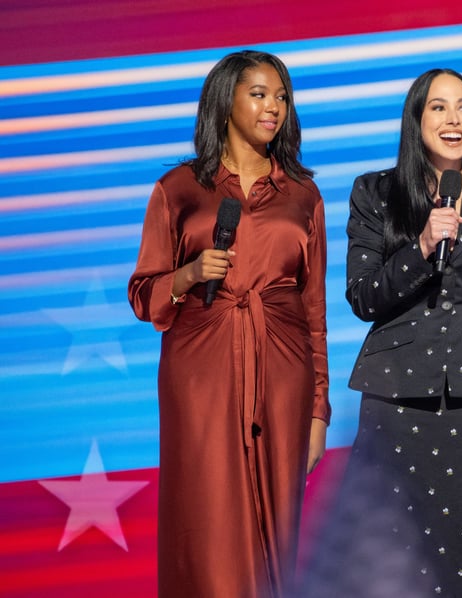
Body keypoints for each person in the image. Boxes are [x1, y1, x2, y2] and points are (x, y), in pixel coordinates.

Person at [300, 68, 462, 597]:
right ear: (416, 120)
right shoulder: (375, 192)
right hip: (397, 398)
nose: (453, 119)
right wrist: (418, 248)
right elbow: (363, 297)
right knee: (394, 548)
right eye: (438, 107)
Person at [128, 50, 330, 597]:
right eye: (260, 93)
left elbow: (315, 312)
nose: (274, 108)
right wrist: (188, 274)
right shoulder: (178, 189)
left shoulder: (303, 195)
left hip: (284, 374)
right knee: (209, 522)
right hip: (201, 374)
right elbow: (144, 295)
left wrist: (318, 409)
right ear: (225, 102)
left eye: (282, 96)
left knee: (279, 533)